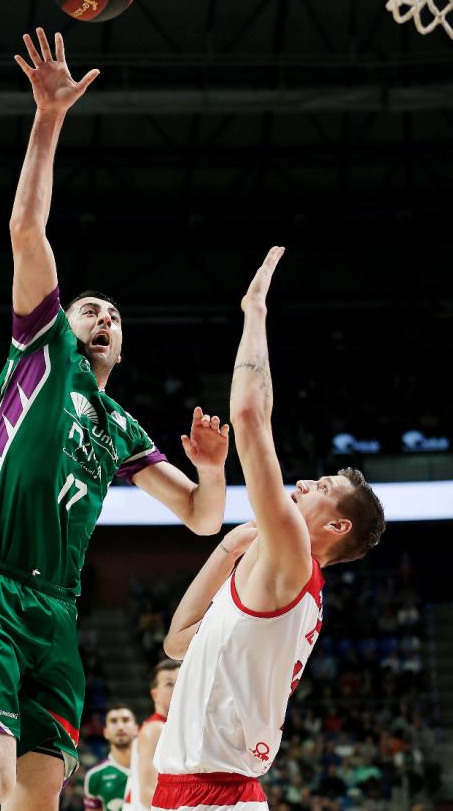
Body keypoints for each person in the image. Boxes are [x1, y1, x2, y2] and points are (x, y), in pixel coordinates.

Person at [0, 28, 230, 811]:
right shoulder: (41, 352)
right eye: (93, 306)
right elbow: (28, 229)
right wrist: (49, 116)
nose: (104, 318)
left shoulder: (122, 426)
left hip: (57, 611)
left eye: (116, 316)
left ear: (120, 347)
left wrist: (215, 465)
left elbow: (200, 517)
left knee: (35, 797)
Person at [153, 247, 386, 811]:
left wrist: (253, 312)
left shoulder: (294, 558)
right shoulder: (271, 569)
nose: (306, 483)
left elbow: (252, 417)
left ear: (335, 523)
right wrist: (232, 542)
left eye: (323, 486)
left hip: (217, 795)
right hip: (185, 789)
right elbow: (179, 643)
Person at [123, 659, 179, 811]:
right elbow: (147, 793)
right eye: (169, 684)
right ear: (155, 694)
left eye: (181, 681)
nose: (177, 688)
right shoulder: (155, 729)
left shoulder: (169, 726)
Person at [84, 704, 138, 811]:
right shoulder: (94, 776)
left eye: (126, 720)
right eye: (113, 721)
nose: (120, 727)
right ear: (106, 732)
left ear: (137, 729)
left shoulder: (154, 768)